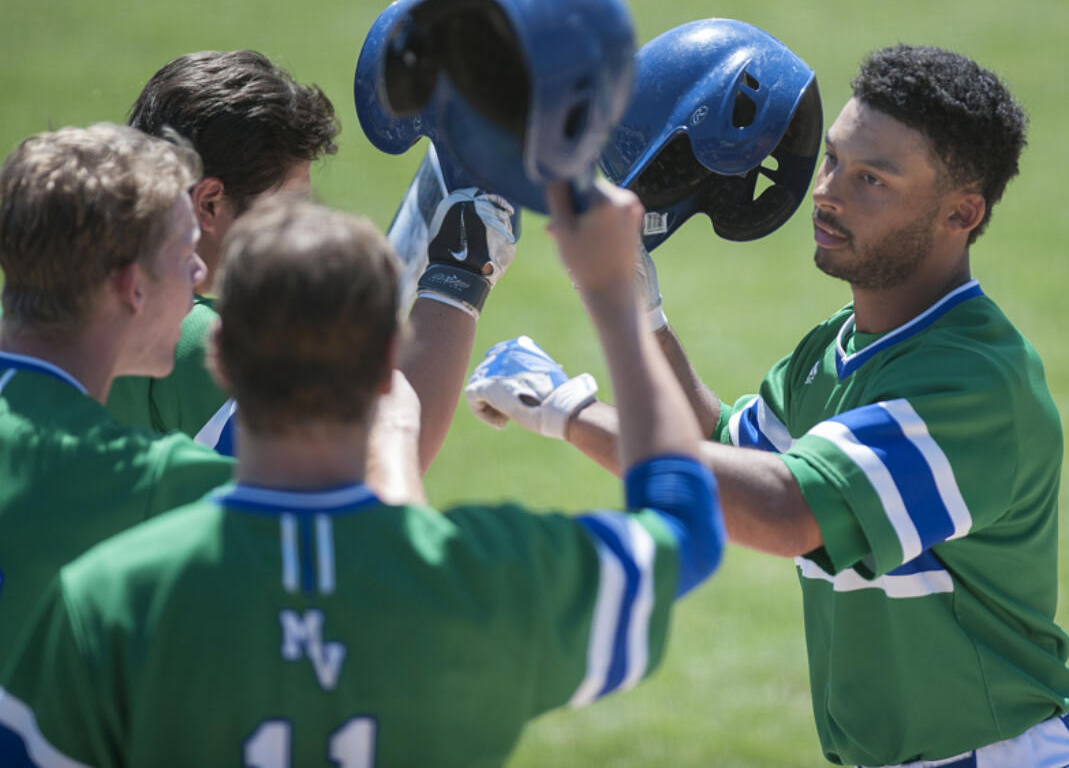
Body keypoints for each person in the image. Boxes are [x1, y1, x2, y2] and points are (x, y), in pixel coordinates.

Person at [465, 45, 1069, 767]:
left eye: (873, 179)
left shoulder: (974, 383)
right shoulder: (833, 350)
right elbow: (723, 453)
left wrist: (564, 409)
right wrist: (644, 307)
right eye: (835, 160)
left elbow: (782, 512)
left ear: (961, 212)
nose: (829, 192)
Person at [0, 188, 724, 767]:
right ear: (389, 363)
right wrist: (615, 300)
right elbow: (686, 530)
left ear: (219, 355)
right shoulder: (487, 578)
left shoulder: (110, 598)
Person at [0, 123, 235, 655]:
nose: (200, 273)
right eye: (185, 256)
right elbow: (349, 529)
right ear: (132, 287)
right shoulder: (138, 479)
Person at [104, 49, 340, 440]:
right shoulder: (198, 340)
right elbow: (365, 476)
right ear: (209, 204)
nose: (299, 233)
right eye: (287, 211)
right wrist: (455, 280)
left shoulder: (56, 294)